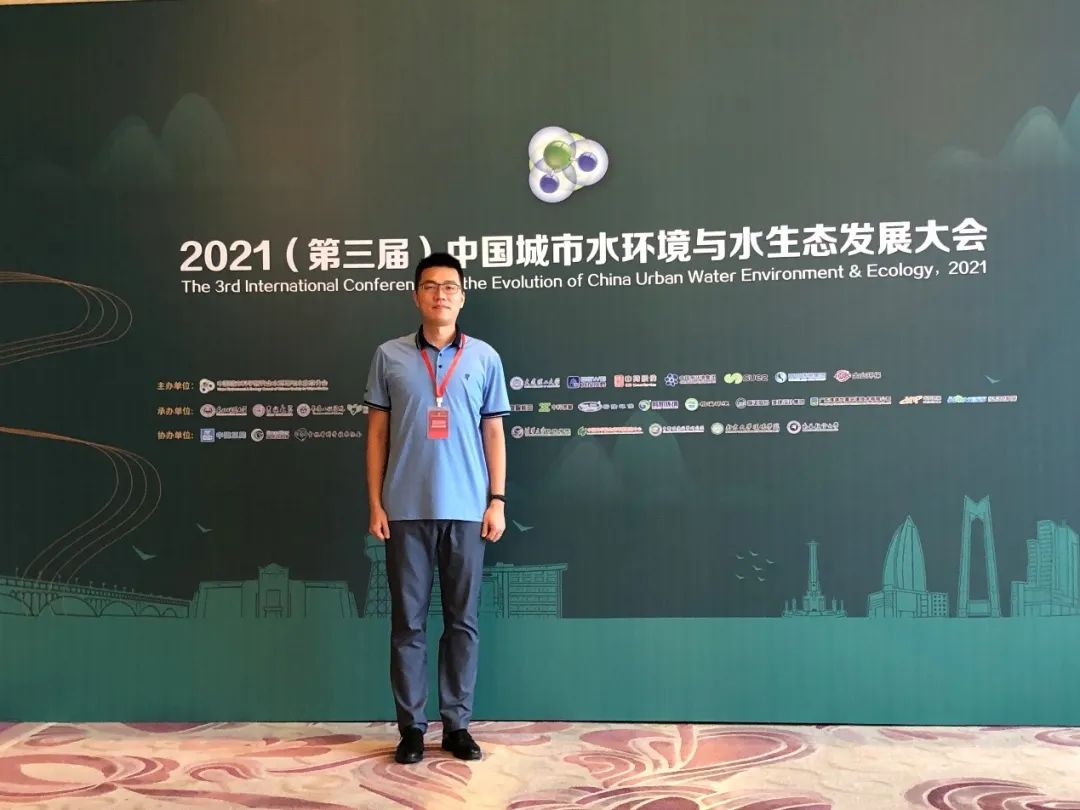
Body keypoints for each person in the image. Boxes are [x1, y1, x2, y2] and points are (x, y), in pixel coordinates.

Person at [363, 252, 510, 764]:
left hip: (468, 510)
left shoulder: (485, 358)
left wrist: (497, 500)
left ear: (462, 296)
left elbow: (494, 432)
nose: (440, 294)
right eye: (430, 286)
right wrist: (375, 502)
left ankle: (457, 725)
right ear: (416, 295)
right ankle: (410, 728)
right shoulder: (389, 355)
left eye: (449, 287)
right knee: (407, 624)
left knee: (462, 622)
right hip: (404, 509)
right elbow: (376, 434)